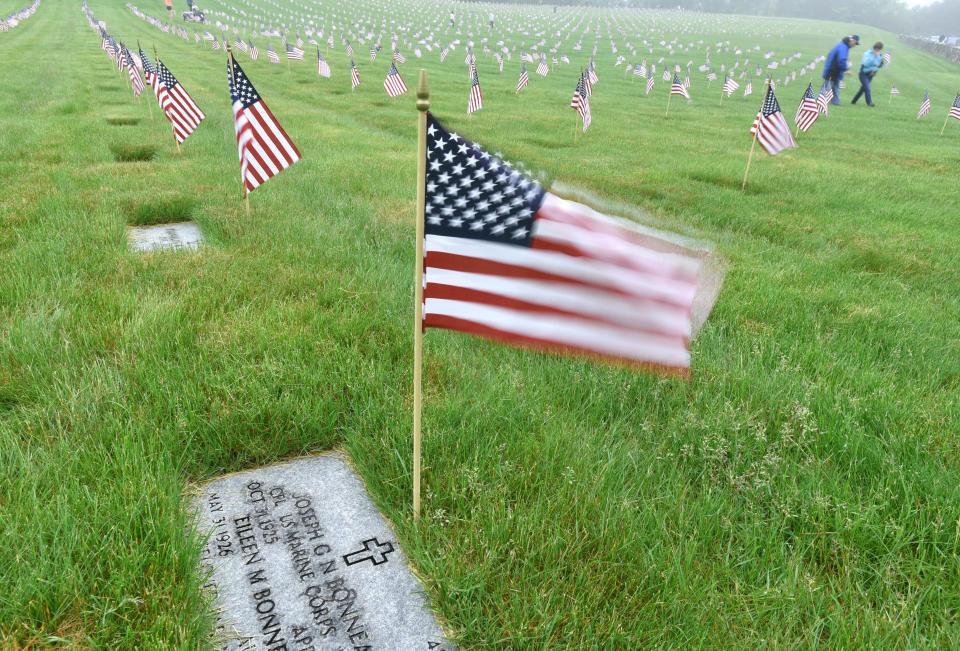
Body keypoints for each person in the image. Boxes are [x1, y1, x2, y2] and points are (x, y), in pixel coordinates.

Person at [822, 35, 859, 105]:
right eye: (855, 43)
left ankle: (835, 103)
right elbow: (841, 60)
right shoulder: (843, 47)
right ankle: (817, 103)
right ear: (852, 41)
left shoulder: (844, 46)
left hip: (836, 71)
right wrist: (846, 69)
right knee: (826, 89)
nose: (855, 45)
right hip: (832, 71)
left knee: (836, 88)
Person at [851, 42, 885, 106]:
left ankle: (853, 101)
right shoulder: (868, 53)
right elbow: (865, 64)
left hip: (871, 74)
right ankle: (869, 103)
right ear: (874, 48)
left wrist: (881, 62)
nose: (878, 51)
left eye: (879, 50)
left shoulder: (880, 55)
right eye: (877, 50)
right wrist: (873, 57)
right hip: (863, 73)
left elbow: (879, 66)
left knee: (863, 89)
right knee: (867, 87)